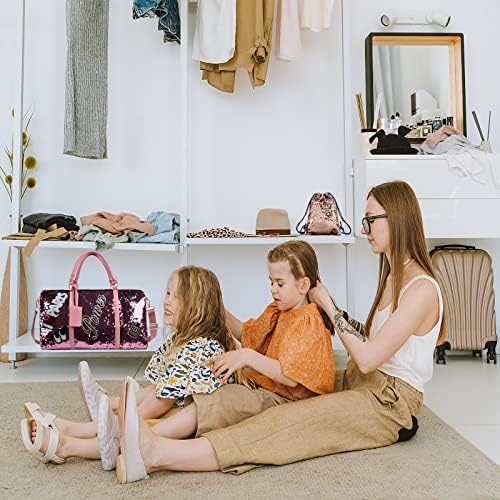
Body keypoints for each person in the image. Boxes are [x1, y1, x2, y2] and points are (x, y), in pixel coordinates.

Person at [115, 180, 444, 483]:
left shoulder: (421, 289)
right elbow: (371, 341)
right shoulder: (392, 276)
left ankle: (157, 454)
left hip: (389, 404)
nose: (363, 229)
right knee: (258, 390)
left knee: (290, 421)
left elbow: (369, 357)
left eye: (370, 220)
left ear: (397, 218)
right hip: (362, 381)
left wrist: (329, 306)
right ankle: (131, 426)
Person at [20, 265, 246, 469]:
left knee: (139, 429)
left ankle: (69, 443)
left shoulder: (200, 347)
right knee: (154, 391)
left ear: (198, 308)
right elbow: (162, 387)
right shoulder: (183, 339)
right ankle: (100, 411)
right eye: (168, 293)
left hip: (196, 415)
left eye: (177, 297)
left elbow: (163, 401)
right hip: (182, 404)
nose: (167, 301)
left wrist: (128, 418)